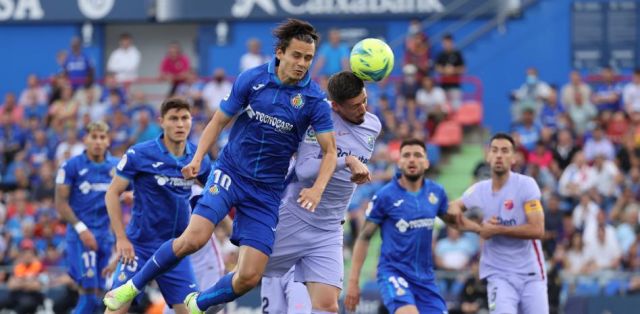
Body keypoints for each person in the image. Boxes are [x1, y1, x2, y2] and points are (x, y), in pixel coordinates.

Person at [103, 18, 337, 314]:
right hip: (230, 173)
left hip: (266, 192)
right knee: (194, 238)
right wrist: (199, 156)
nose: (303, 63)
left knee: (250, 276)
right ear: (280, 52)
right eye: (297, 55)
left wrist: (318, 188)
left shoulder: (314, 99)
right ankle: (131, 287)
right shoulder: (252, 79)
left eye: (308, 58)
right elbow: (219, 120)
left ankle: (198, 304)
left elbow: (330, 151)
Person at [261, 71, 381, 313]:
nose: (363, 109)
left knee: (327, 306)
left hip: (330, 227)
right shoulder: (320, 117)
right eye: (355, 105)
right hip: (296, 217)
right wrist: (346, 160)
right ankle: (201, 305)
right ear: (336, 106)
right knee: (245, 277)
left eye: (364, 100)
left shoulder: (373, 125)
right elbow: (304, 170)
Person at [104, 98, 213, 314]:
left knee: (192, 311)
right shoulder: (140, 154)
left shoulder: (198, 158)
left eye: (184, 118)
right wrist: (121, 238)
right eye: (174, 119)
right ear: (161, 122)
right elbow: (112, 193)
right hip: (139, 247)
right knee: (115, 307)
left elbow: (215, 193)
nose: (180, 124)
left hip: (176, 249)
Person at [345, 138, 463, 314]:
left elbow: (455, 221)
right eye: (406, 155)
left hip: (425, 279)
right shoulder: (386, 196)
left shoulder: (436, 193)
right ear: (399, 162)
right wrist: (353, 282)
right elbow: (364, 237)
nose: (412, 159)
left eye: (417, 155)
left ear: (427, 162)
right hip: (393, 273)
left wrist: (481, 228)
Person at [450, 133, 548, 314]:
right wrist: (479, 229)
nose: (499, 155)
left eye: (505, 151)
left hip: (531, 274)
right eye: (494, 150)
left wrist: (497, 230)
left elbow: (538, 229)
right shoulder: (479, 190)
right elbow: (451, 210)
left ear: (513, 158)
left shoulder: (526, 185)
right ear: (488, 156)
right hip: (499, 275)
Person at [54, 121, 119, 314]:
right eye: (94, 137)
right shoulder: (71, 166)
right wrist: (81, 229)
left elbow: (131, 193)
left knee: (100, 297)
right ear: (85, 140)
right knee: (89, 295)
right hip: (81, 237)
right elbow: (60, 203)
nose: (98, 142)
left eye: (102, 137)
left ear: (108, 141)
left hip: (105, 238)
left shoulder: (117, 167)